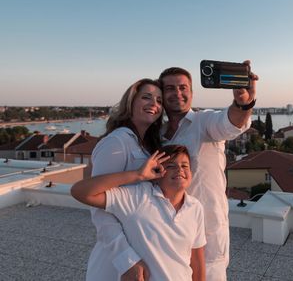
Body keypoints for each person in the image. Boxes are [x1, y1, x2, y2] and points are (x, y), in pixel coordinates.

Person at [159, 61, 257, 281]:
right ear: (162, 95)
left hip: (208, 231)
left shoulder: (204, 122)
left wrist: (243, 103)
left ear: (191, 93)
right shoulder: (158, 134)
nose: (177, 92)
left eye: (183, 87)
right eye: (170, 88)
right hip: (168, 231)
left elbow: (231, 123)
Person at [71, 145, 206, 281]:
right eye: (171, 166)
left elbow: (197, 261)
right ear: (157, 172)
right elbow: (80, 192)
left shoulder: (195, 208)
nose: (179, 170)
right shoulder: (138, 198)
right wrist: (138, 174)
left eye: (185, 166)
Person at [86, 78, 164, 280]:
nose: (154, 104)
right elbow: (98, 207)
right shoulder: (117, 142)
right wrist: (125, 259)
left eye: (159, 100)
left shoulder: (146, 145)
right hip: (117, 260)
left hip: (144, 249)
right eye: (146, 97)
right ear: (131, 102)